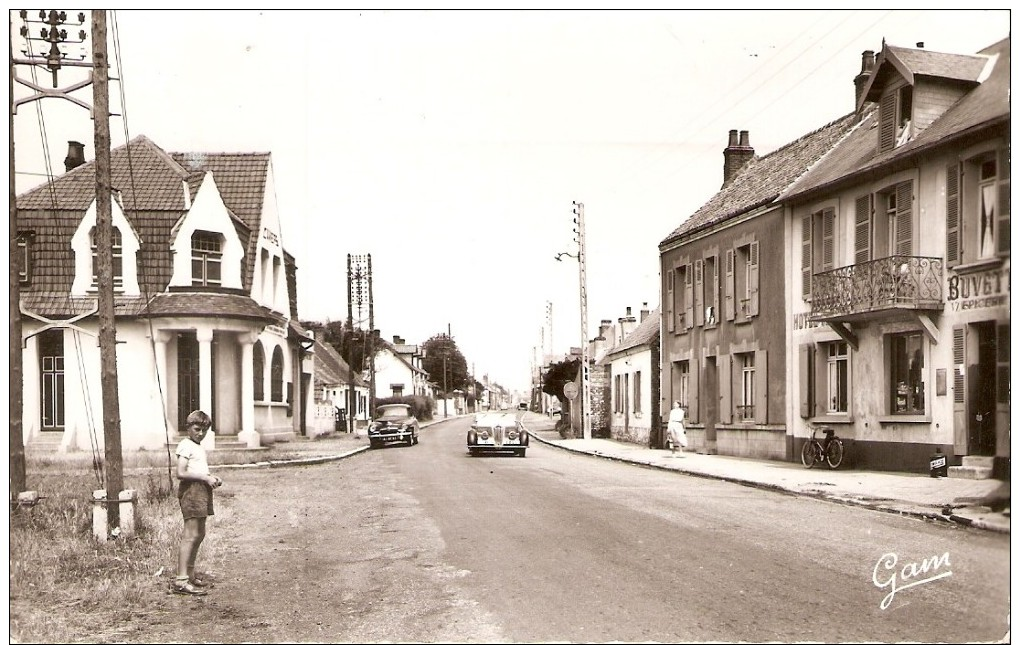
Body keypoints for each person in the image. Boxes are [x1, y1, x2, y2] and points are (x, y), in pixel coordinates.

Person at [171, 410, 223, 596]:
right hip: (191, 490)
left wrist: (210, 478)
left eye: (204, 430)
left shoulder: (197, 446)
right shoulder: (185, 445)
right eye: (197, 429)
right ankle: (181, 580)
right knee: (190, 534)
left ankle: (190, 574)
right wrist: (204, 477)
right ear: (188, 428)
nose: (200, 433)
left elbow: (198, 468)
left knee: (200, 533)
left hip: (201, 489)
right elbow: (181, 473)